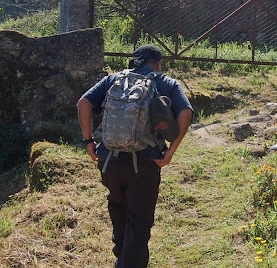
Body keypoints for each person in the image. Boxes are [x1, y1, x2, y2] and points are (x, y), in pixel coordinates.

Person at [77, 44, 193, 268]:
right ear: (158, 64)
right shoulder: (164, 82)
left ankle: (121, 257)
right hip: (144, 163)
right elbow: (185, 112)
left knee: (118, 206)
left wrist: (88, 141)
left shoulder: (114, 79)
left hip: (109, 160)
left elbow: (84, 103)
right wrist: (171, 150)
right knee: (139, 222)